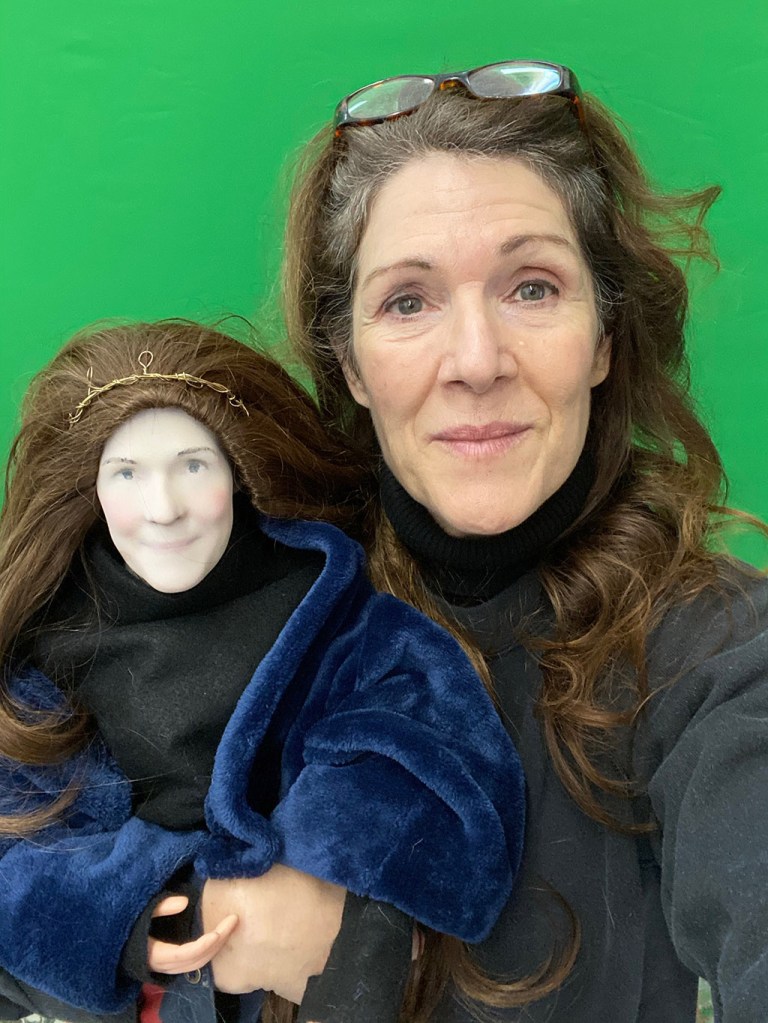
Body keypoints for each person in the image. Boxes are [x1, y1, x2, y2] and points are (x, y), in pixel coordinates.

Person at [257, 60, 766, 1022]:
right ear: (350, 363)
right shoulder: (261, 615)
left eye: (532, 288)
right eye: (408, 301)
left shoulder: (719, 649)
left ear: (604, 338)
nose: (477, 361)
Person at [0, 321, 528, 1023]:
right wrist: (123, 911)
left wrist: (321, 880)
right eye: (126, 473)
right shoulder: (46, 646)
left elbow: (424, 739)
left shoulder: (328, 609)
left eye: (193, 466)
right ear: (89, 488)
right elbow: (16, 845)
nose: (163, 509)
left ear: (240, 469)